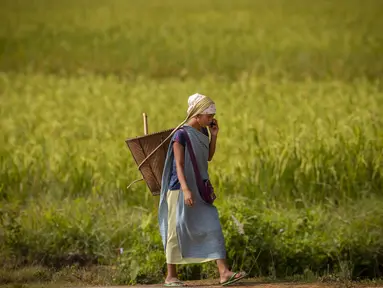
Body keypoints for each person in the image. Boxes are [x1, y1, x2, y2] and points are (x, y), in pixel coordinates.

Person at [158, 93, 247, 287]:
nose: (212, 118)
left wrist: (214, 136)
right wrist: (186, 189)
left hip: (199, 187)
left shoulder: (203, 132)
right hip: (180, 189)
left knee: (212, 224)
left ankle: (224, 273)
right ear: (197, 114)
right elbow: (179, 165)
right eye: (209, 114)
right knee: (176, 229)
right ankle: (171, 276)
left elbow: (208, 157)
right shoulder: (180, 134)